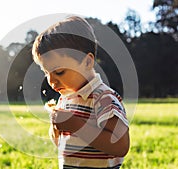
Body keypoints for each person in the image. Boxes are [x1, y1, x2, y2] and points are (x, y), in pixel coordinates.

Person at [32, 16, 130, 169]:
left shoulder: (104, 98)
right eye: (46, 73)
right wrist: (56, 126)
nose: (51, 81)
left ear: (87, 62)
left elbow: (120, 146)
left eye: (59, 72)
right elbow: (63, 144)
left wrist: (77, 125)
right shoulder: (66, 100)